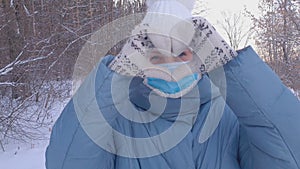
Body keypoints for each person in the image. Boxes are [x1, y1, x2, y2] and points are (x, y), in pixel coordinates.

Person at [46, 0, 300, 169]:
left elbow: (290, 155)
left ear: (201, 55)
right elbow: (67, 162)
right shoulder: (119, 122)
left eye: (181, 54)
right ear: (138, 63)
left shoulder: (230, 117)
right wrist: (115, 75)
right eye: (156, 57)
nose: (170, 66)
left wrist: (230, 65)